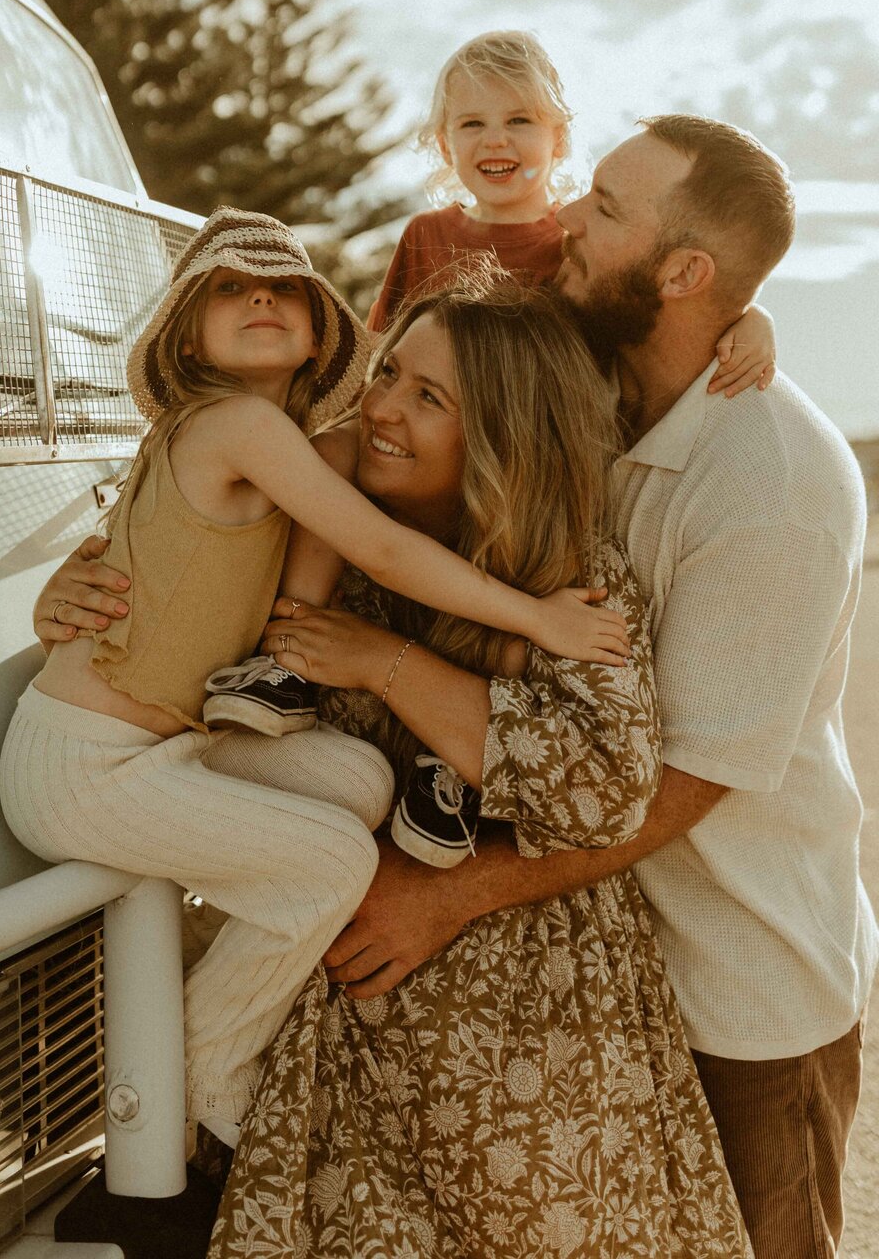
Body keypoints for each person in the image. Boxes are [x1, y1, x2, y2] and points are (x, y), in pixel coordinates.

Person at [40, 276, 752, 1256]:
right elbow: (172, 590)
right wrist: (72, 590)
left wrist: (385, 664)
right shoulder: (312, 526)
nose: (380, 408)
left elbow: (603, 789)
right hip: (333, 1030)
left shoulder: (566, 569)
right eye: (387, 374)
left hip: (524, 1047)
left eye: (430, 398)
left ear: (501, 434)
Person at [315, 116, 873, 1259]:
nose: (564, 216)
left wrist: (447, 896)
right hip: (598, 972)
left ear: (683, 274)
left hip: (741, 994)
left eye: (606, 209)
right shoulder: (591, 388)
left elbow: (685, 784)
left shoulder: (771, 483)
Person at [0, 207, 627, 1149]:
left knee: (358, 782)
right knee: (334, 861)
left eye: (283, 285)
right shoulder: (235, 424)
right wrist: (537, 617)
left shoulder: (283, 441)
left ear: (319, 329)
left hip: (163, 751)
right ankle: (199, 1059)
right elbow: (374, 543)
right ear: (186, 331)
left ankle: (202, 972)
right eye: (228, 287)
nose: (260, 294)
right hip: (85, 767)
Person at [368, 28, 774, 401]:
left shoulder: (578, 241)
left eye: (519, 120)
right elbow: (378, 348)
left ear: (557, 139)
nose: (495, 139)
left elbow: (651, 314)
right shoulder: (425, 235)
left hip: (534, 451)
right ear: (445, 146)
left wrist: (753, 320)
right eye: (472, 123)